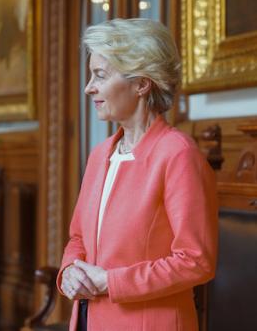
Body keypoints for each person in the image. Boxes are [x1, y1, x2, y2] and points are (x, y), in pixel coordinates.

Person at [57, 18, 218, 331]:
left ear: (142, 84)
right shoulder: (99, 154)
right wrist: (69, 272)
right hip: (89, 320)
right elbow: (78, 238)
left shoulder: (178, 154)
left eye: (100, 75)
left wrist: (111, 281)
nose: (89, 87)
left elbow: (196, 261)